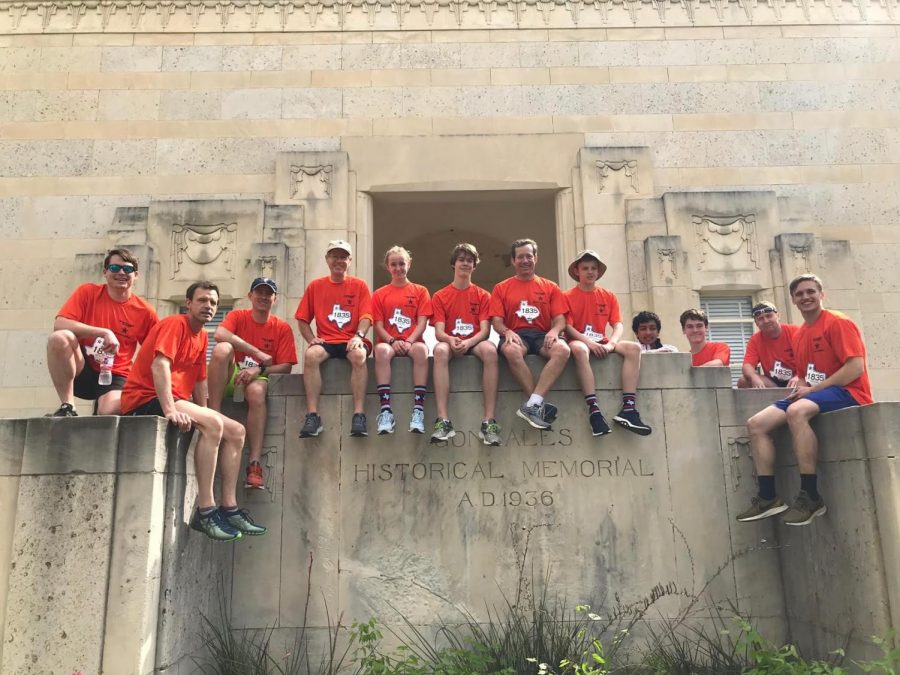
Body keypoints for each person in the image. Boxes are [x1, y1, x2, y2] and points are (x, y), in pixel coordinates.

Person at [121, 282, 266, 542]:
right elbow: (159, 365)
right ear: (188, 303)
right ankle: (206, 510)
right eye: (202, 301)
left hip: (178, 398)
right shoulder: (175, 324)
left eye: (212, 303)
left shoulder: (202, 336)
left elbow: (200, 380)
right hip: (146, 398)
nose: (208, 307)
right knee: (213, 425)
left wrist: (207, 411)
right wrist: (169, 410)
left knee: (236, 430)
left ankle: (229, 508)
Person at [737, 274, 873, 526]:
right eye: (799, 294)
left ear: (822, 294)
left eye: (811, 291)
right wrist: (801, 386)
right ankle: (768, 497)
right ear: (793, 300)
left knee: (796, 412)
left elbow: (855, 368)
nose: (805, 297)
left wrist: (812, 389)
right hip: (817, 391)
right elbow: (806, 373)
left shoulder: (837, 322)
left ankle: (810, 496)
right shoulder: (800, 334)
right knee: (756, 423)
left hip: (849, 391)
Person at [208, 277, 297, 489]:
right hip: (231, 373)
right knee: (222, 349)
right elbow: (220, 334)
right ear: (250, 296)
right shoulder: (237, 316)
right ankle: (213, 418)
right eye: (259, 292)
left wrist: (259, 369)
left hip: (257, 376)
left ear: (274, 299)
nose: (263, 297)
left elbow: (286, 366)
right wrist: (256, 352)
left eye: (269, 294)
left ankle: (255, 463)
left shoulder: (282, 327)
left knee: (257, 392)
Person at [46, 248, 158, 417]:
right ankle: (68, 406)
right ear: (105, 272)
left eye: (127, 269)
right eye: (115, 268)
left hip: (116, 374)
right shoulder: (88, 292)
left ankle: (149, 404)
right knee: (60, 338)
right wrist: (103, 332)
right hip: (81, 368)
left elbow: (157, 350)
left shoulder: (145, 311)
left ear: (136, 276)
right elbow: (59, 324)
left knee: (108, 412)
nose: (121, 272)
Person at [564, 250, 651, 437]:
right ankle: (594, 410)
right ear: (577, 271)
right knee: (579, 349)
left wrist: (611, 344)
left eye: (593, 268)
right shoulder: (567, 296)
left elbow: (617, 324)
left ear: (598, 272)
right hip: (578, 341)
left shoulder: (608, 295)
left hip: (603, 341)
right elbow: (567, 327)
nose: (590, 272)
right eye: (585, 268)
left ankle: (628, 409)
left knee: (634, 348)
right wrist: (589, 343)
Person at [295, 240, 373, 438]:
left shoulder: (359, 285)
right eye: (334, 256)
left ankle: (359, 414)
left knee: (359, 356)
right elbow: (302, 319)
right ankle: (313, 415)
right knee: (311, 355)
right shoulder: (316, 286)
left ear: (350, 260)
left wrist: (359, 336)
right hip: (327, 341)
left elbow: (366, 317)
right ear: (327, 259)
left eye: (343, 257)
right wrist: (311, 338)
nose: (339, 261)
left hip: (350, 339)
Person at [490, 238, 570, 430]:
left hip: (542, 335)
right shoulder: (501, 288)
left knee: (563, 350)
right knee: (511, 351)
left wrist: (554, 330)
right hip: (516, 334)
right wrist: (506, 331)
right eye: (520, 257)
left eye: (529, 256)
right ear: (513, 261)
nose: (525, 260)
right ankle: (536, 406)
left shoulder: (550, 287)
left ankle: (532, 404)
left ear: (536, 258)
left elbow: (560, 319)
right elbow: (496, 321)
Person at [430, 243, 501, 445]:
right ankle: (443, 421)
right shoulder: (440, 296)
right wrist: (451, 339)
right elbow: (439, 332)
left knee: (490, 350)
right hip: (451, 341)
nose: (465, 264)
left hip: (474, 340)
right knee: (440, 350)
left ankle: (489, 422)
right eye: (461, 260)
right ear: (454, 264)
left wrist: (469, 342)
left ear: (474, 266)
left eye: (470, 260)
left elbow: (485, 330)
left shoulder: (483, 295)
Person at [372, 246, 432, 434]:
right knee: (380, 351)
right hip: (389, 342)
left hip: (412, 342)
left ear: (409, 264)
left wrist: (409, 341)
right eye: (394, 264)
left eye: (402, 264)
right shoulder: (380, 294)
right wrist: (392, 341)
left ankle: (418, 409)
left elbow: (422, 322)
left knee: (422, 351)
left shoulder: (420, 291)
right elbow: (378, 325)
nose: (398, 268)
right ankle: (386, 410)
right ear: (387, 267)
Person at [736, 301, 798, 389]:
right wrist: (754, 377)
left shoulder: (795, 332)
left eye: (769, 316)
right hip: (773, 382)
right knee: (743, 381)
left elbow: (810, 359)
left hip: (799, 378)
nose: (766, 321)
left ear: (778, 316)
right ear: (756, 323)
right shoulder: (755, 340)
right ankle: (775, 400)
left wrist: (799, 376)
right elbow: (747, 365)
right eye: (760, 318)